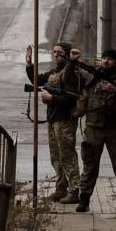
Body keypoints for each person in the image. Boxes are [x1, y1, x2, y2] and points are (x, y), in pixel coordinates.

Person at [75, 48, 116, 212]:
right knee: (89, 166)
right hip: (93, 129)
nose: (106, 61)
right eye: (104, 58)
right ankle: (84, 200)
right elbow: (75, 82)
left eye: (110, 59)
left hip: (115, 129)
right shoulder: (92, 76)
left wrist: (115, 90)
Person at [25, 41, 83, 204]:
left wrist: (52, 98)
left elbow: (72, 99)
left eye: (59, 52)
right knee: (56, 157)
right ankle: (61, 188)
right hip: (53, 118)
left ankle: (74, 190)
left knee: (67, 156)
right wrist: (29, 64)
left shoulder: (72, 73)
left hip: (65, 120)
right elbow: (37, 80)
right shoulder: (55, 72)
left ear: (67, 54)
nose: (56, 54)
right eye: (54, 52)